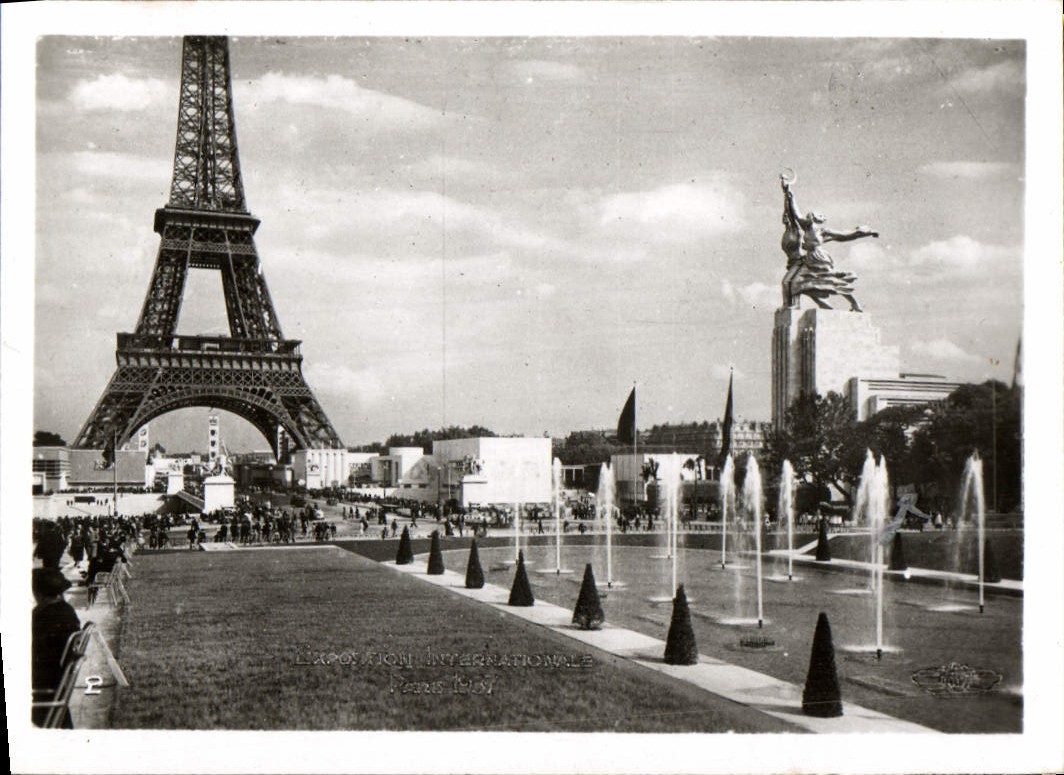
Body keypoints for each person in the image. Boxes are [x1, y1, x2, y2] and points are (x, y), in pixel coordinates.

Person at [780, 175, 878, 312]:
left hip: (819, 259)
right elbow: (795, 213)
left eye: (811, 215)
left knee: (831, 281)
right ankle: (811, 305)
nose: (807, 216)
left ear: (814, 218)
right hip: (809, 260)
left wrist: (867, 232)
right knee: (801, 283)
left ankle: (855, 303)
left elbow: (846, 235)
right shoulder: (807, 228)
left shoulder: (823, 232)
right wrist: (789, 192)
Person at [32, 568, 81, 727]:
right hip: (58, 680)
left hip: (45, 685)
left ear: (38, 592)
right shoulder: (66, 610)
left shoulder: (43, 616)